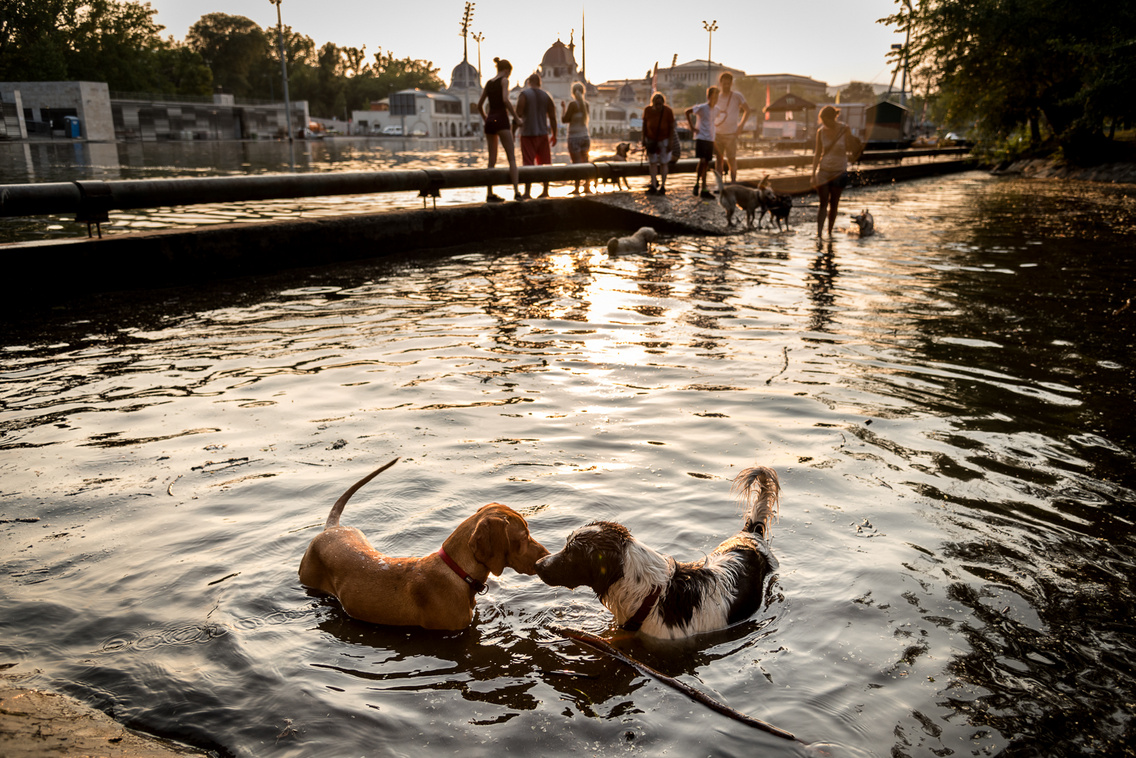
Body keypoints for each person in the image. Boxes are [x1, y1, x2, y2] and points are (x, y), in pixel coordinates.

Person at [477, 57, 522, 202]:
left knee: (492, 159)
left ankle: (489, 194)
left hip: (490, 121)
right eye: (509, 73)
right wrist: (516, 117)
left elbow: (479, 105)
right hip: (501, 119)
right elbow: (505, 99)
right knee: (512, 158)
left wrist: (486, 119)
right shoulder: (504, 80)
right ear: (506, 70)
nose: (509, 76)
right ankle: (516, 192)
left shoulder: (489, 83)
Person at [811, 105, 853, 236]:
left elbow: (851, 146)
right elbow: (817, 153)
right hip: (823, 170)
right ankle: (819, 234)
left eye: (826, 120)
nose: (824, 123)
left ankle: (829, 232)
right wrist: (813, 174)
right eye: (822, 120)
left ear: (833, 118)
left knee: (834, 203)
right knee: (822, 203)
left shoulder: (845, 129)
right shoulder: (820, 132)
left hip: (839, 171)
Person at [516, 72, 557, 199]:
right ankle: (545, 190)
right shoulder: (547, 96)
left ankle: (527, 192)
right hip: (543, 134)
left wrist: (513, 132)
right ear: (540, 83)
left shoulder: (524, 95)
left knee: (528, 163)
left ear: (529, 82)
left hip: (528, 134)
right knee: (545, 163)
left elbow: (518, 114)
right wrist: (554, 134)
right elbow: (553, 117)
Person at [713, 72, 751, 184]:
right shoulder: (717, 97)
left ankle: (733, 183)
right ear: (720, 84)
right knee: (718, 160)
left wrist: (741, 126)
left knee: (732, 159)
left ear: (731, 84)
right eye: (724, 84)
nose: (726, 86)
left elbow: (747, 110)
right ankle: (718, 185)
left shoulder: (737, 96)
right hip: (718, 133)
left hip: (731, 134)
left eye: (728, 84)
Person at [685, 86, 719, 199]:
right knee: (703, 161)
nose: (714, 99)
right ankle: (703, 187)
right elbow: (687, 112)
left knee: (705, 163)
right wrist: (692, 127)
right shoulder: (702, 107)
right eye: (713, 97)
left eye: (716, 97)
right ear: (708, 97)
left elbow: (721, 116)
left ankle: (697, 184)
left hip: (710, 139)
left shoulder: (717, 109)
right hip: (701, 137)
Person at [641, 92, 676, 196]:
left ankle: (663, 186)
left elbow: (671, 127)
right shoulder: (647, 110)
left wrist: (670, 142)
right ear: (653, 104)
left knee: (664, 162)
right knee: (652, 162)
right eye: (656, 104)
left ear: (663, 104)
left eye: (660, 104)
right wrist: (643, 138)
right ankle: (653, 184)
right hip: (651, 140)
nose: (658, 106)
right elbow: (644, 125)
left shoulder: (668, 111)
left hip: (664, 140)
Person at [562, 82, 592, 195]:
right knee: (586, 161)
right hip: (585, 136)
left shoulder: (572, 104)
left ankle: (577, 188)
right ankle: (587, 186)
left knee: (577, 163)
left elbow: (565, 120)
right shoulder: (586, 104)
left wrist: (563, 108)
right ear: (583, 91)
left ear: (573, 92)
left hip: (574, 137)